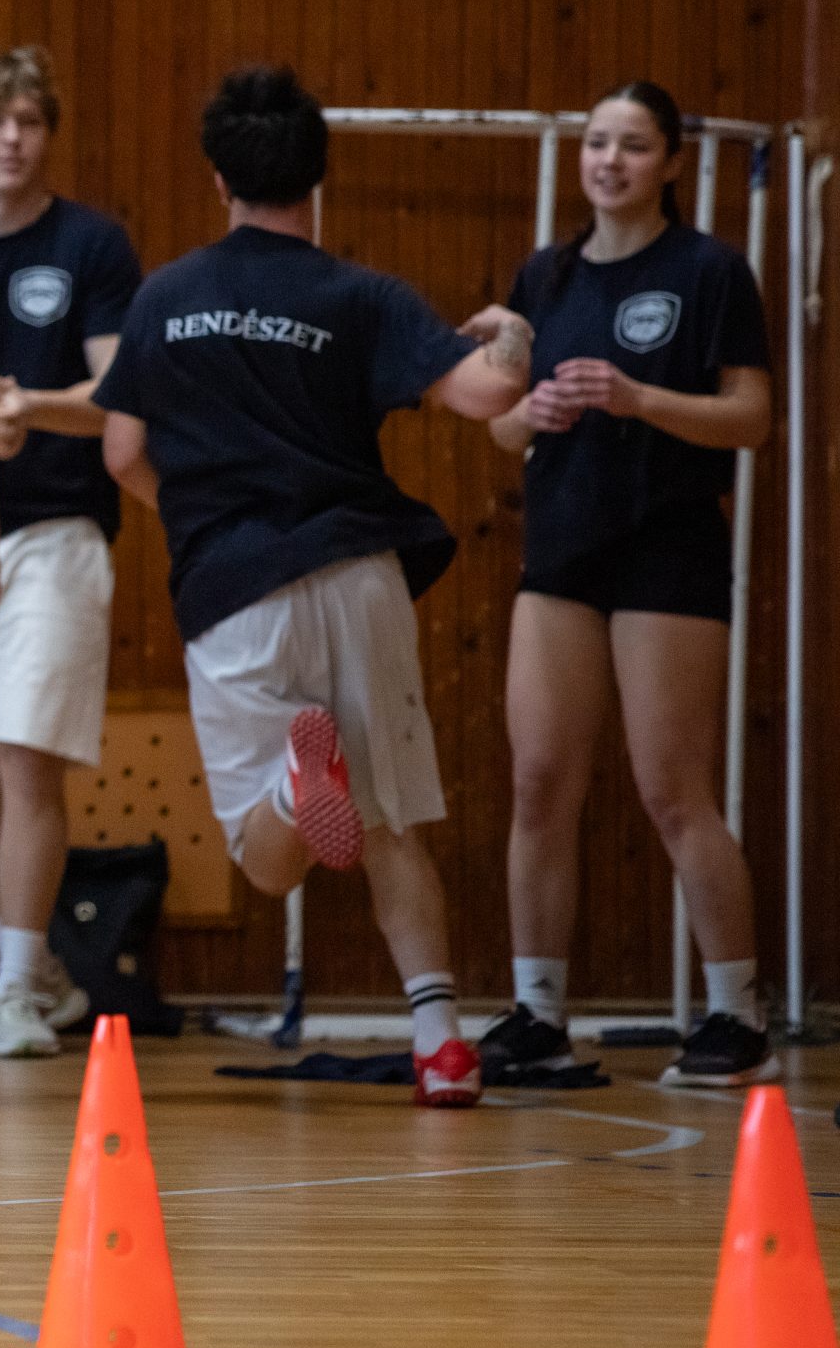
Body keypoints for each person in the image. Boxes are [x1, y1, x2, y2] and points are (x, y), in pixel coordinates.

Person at [94, 66, 531, 1108]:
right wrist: (512, 330)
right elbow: (489, 394)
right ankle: (441, 1044)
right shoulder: (360, 295)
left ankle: (298, 788)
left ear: (218, 179)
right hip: (359, 575)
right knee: (389, 823)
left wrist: (200, 520)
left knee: (268, 861)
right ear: (317, 177)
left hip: (235, 586)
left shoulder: (166, 297)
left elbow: (121, 455)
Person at [478, 82, 777, 1087]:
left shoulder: (709, 269)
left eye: (633, 145)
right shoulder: (546, 274)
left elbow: (750, 416)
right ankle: (538, 1014)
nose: (609, 160)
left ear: (672, 162)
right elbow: (501, 424)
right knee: (537, 781)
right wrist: (532, 412)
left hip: (667, 549)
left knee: (672, 788)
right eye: (596, 142)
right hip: (561, 550)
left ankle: (737, 1015)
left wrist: (639, 396)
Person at [0, 48, 136, 1058]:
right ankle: (38, 967)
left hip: (58, 528)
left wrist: (31, 410)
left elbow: (119, 392)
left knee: (24, 759)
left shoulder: (90, 243)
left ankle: (12, 986)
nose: (12, 138)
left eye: (29, 121)